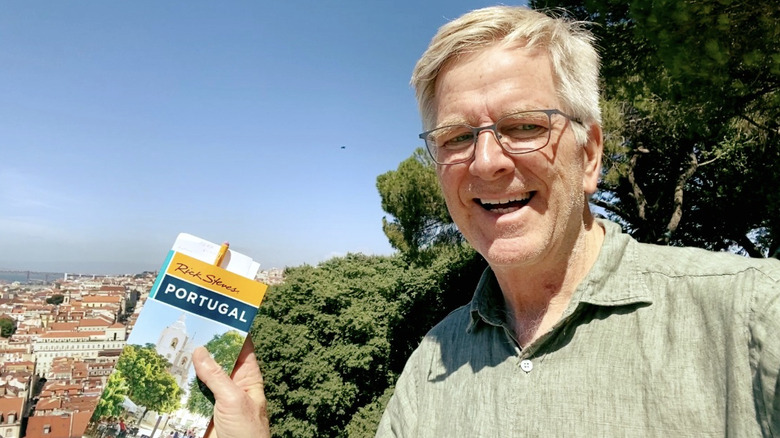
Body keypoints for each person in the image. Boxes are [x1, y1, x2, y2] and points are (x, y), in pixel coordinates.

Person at [193, 5, 780, 437]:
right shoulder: (432, 362)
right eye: (456, 137)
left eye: (525, 126)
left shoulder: (752, 316)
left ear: (591, 155)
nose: (488, 161)